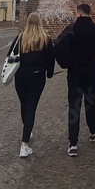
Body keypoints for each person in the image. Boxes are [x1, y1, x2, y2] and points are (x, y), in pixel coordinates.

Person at [57, 3, 95, 157]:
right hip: (92, 71)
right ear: (89, 13)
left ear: (78, 13)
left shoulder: (71, 28)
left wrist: (66, 63)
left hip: (75, 73)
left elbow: (58, 45)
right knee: (91, 102)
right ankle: (93, 131)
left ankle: (73, 144)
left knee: (74, 106)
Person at [11, 12, 55, 158]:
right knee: (31, 106)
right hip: (37, 76)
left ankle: (27, 132)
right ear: (40, 22)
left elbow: (10, 55)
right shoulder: (45, 39)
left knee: (24, 104)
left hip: (21, 76)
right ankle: (24, 144)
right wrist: (49, 73)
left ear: (28, 22)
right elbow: (51, 59)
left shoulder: (20, 38)